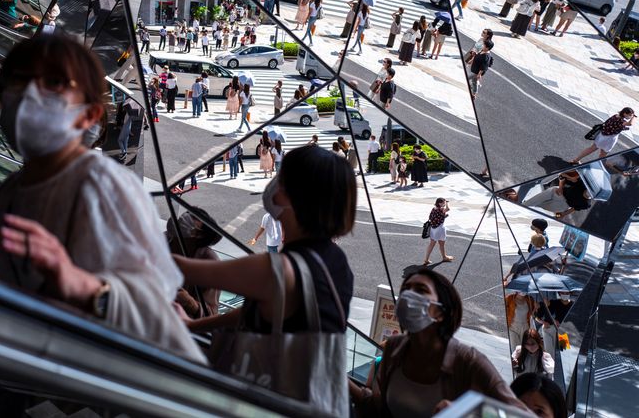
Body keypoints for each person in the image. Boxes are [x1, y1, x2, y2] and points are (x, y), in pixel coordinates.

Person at [0, 35, 203, 361]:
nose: (30, 94)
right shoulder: (13, 190)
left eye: (54, 82)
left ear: (89, 115)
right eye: (17, 81)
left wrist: (78, 284)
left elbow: (157, 304)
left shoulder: (104, 187)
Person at [176, 146, 355, 415]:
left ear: (295, 194)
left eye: (282, 178)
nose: (274, 184)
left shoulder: (278, 269)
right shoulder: (335, 260)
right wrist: (194, 325)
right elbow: (250, 313)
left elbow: (184, 269)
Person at [350, 269, 526, 416]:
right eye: (406, 290)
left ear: (441, 311)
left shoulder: (469, 361)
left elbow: (519, 414)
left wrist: (467, 413)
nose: (409, 296)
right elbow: (377, 407)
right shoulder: (394, 348)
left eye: (420, 290)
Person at [167, 209, 222, 319]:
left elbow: (211, 315)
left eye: (193, 218)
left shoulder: (209, 263)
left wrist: (190, 303)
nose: (184, 217)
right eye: (188, 213)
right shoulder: (162, 240)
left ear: (199, 234)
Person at [570, 107, 635, 163]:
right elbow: (630, 124)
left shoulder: (616, 116)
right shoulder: (622, 121)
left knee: (592, 148)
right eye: (630, 115)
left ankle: (576, 159)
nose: (630, 116)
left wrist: (631, 117)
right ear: (624, 113)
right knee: (603, 154)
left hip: (602, 135)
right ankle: (597, 166)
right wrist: (633, 117)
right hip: (609, 139)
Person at [424, 198, 453, 265]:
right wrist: (448, 203)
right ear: (439, 203)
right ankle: (444, 257)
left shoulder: (434, 208)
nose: (444, 204)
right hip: (440, 229)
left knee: (431, 244)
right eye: (443, 203)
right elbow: (448, 209)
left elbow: (432, 217)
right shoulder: (441, 209)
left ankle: (426, 259)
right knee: (442, 244)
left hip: (433, 229)